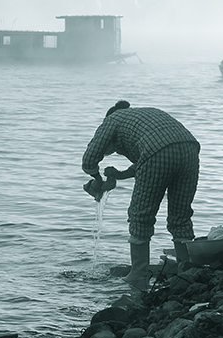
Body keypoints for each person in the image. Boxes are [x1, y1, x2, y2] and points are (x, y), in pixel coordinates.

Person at [82, 100, 200, 291]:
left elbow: (89, 158)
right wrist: (120, 175)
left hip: (159, 152)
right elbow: (150, 158)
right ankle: (184, 270)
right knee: (180, 215)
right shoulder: (144, 116)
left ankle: (138, 274)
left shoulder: (113, 119)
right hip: (190, 150)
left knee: (140, 215)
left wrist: (97, 179)